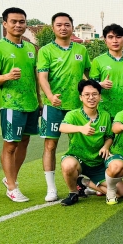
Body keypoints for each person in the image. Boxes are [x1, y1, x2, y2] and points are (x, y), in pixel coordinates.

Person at [0, 7, 40, 202]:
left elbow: (35, 77)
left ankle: (11, 178)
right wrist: (7, 76)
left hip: (31, 103)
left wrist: (40, 101)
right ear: (5, 24)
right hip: (11, 104)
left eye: (22, 22)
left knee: (24, 142)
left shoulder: (31, 48)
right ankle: (11, 186)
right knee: (10, 145)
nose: (18, 25)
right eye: (14, 21)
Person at [37, 12, 91, 202]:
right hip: (54, 106)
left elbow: (88, 74)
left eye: (67, 24)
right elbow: (42, 77)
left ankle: (81, 184)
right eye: (59, 25)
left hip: (77, 106)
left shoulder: (81, 50)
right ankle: (51, 188)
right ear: (53, 28)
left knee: (80, 145)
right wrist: (50, 96)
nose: (63, 28)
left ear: (72, 27)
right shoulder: (46, 51)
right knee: (50, 145)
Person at [89, 23, 123, 193]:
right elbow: (91, 85)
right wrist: (100, 84)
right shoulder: (98, 61)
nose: (115, 40)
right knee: (105, 145)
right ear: (105, 40)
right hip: (106, 111)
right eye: (110, 37)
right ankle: (102, 180)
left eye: (118, 37)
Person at [57, 80, 113, 206]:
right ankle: (73, 193)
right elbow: (62, 127)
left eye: (94, 94)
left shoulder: (105, 115)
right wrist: (81, 128)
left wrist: (106, 146)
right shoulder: (73, 115)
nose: (91, 97)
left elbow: (109, 136)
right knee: (68, 165)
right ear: (80, 97)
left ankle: (83, 182)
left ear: (100, 96)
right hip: (78, 159)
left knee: (119, 192)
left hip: (98, 163)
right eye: (87, 94)